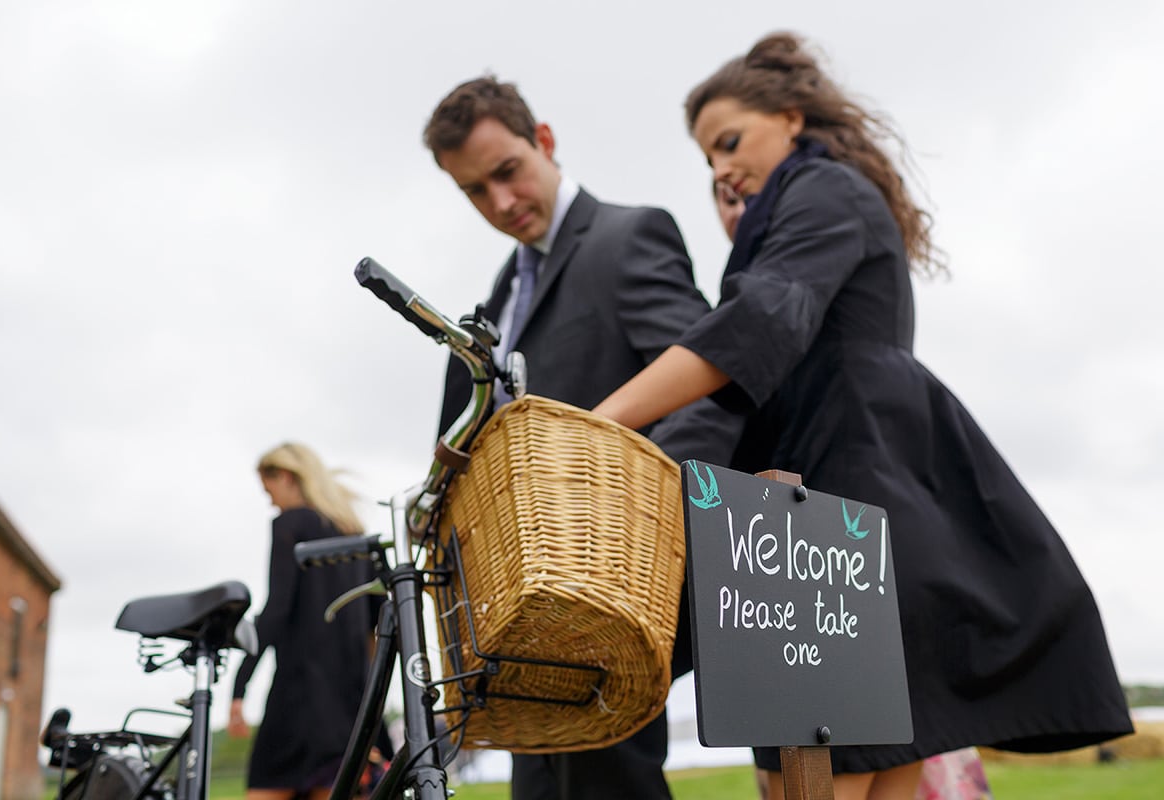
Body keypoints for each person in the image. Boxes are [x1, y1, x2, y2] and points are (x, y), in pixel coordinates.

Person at [593, 32, 1133, 800]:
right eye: (707, 160)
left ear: (791, 115)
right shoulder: (788, 212)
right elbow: (733, 389)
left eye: (729, 141)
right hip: (800, 515)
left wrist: (601, 422)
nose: (720, 168)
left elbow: (758, 322)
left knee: (837, 767)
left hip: (854, 500)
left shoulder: (827, 189)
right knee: (799, 773)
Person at [423, 76, 743, 800]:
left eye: (506, 171)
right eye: (475, 191)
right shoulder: (489, 310)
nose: (500, 203)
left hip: (614, 602)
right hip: (511, 623)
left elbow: (708, 388)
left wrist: (657, 539)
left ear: (543, 140)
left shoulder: (630, 236)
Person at [712, 177, 991, 800]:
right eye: (723, 201)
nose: (737, 212)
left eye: (747, 196)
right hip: (800, 560)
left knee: (858, 752)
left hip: (838, 546)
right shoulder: (762, 297)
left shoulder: (803, 293)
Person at [228, 442, 382, 800]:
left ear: (284, 476)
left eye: (269, 491)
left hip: (297, 702)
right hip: (349, 707)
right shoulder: (356, 535)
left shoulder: (292, 524)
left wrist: (240, 686)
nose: (271, 502)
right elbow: (378, 620)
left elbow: (277, 609)